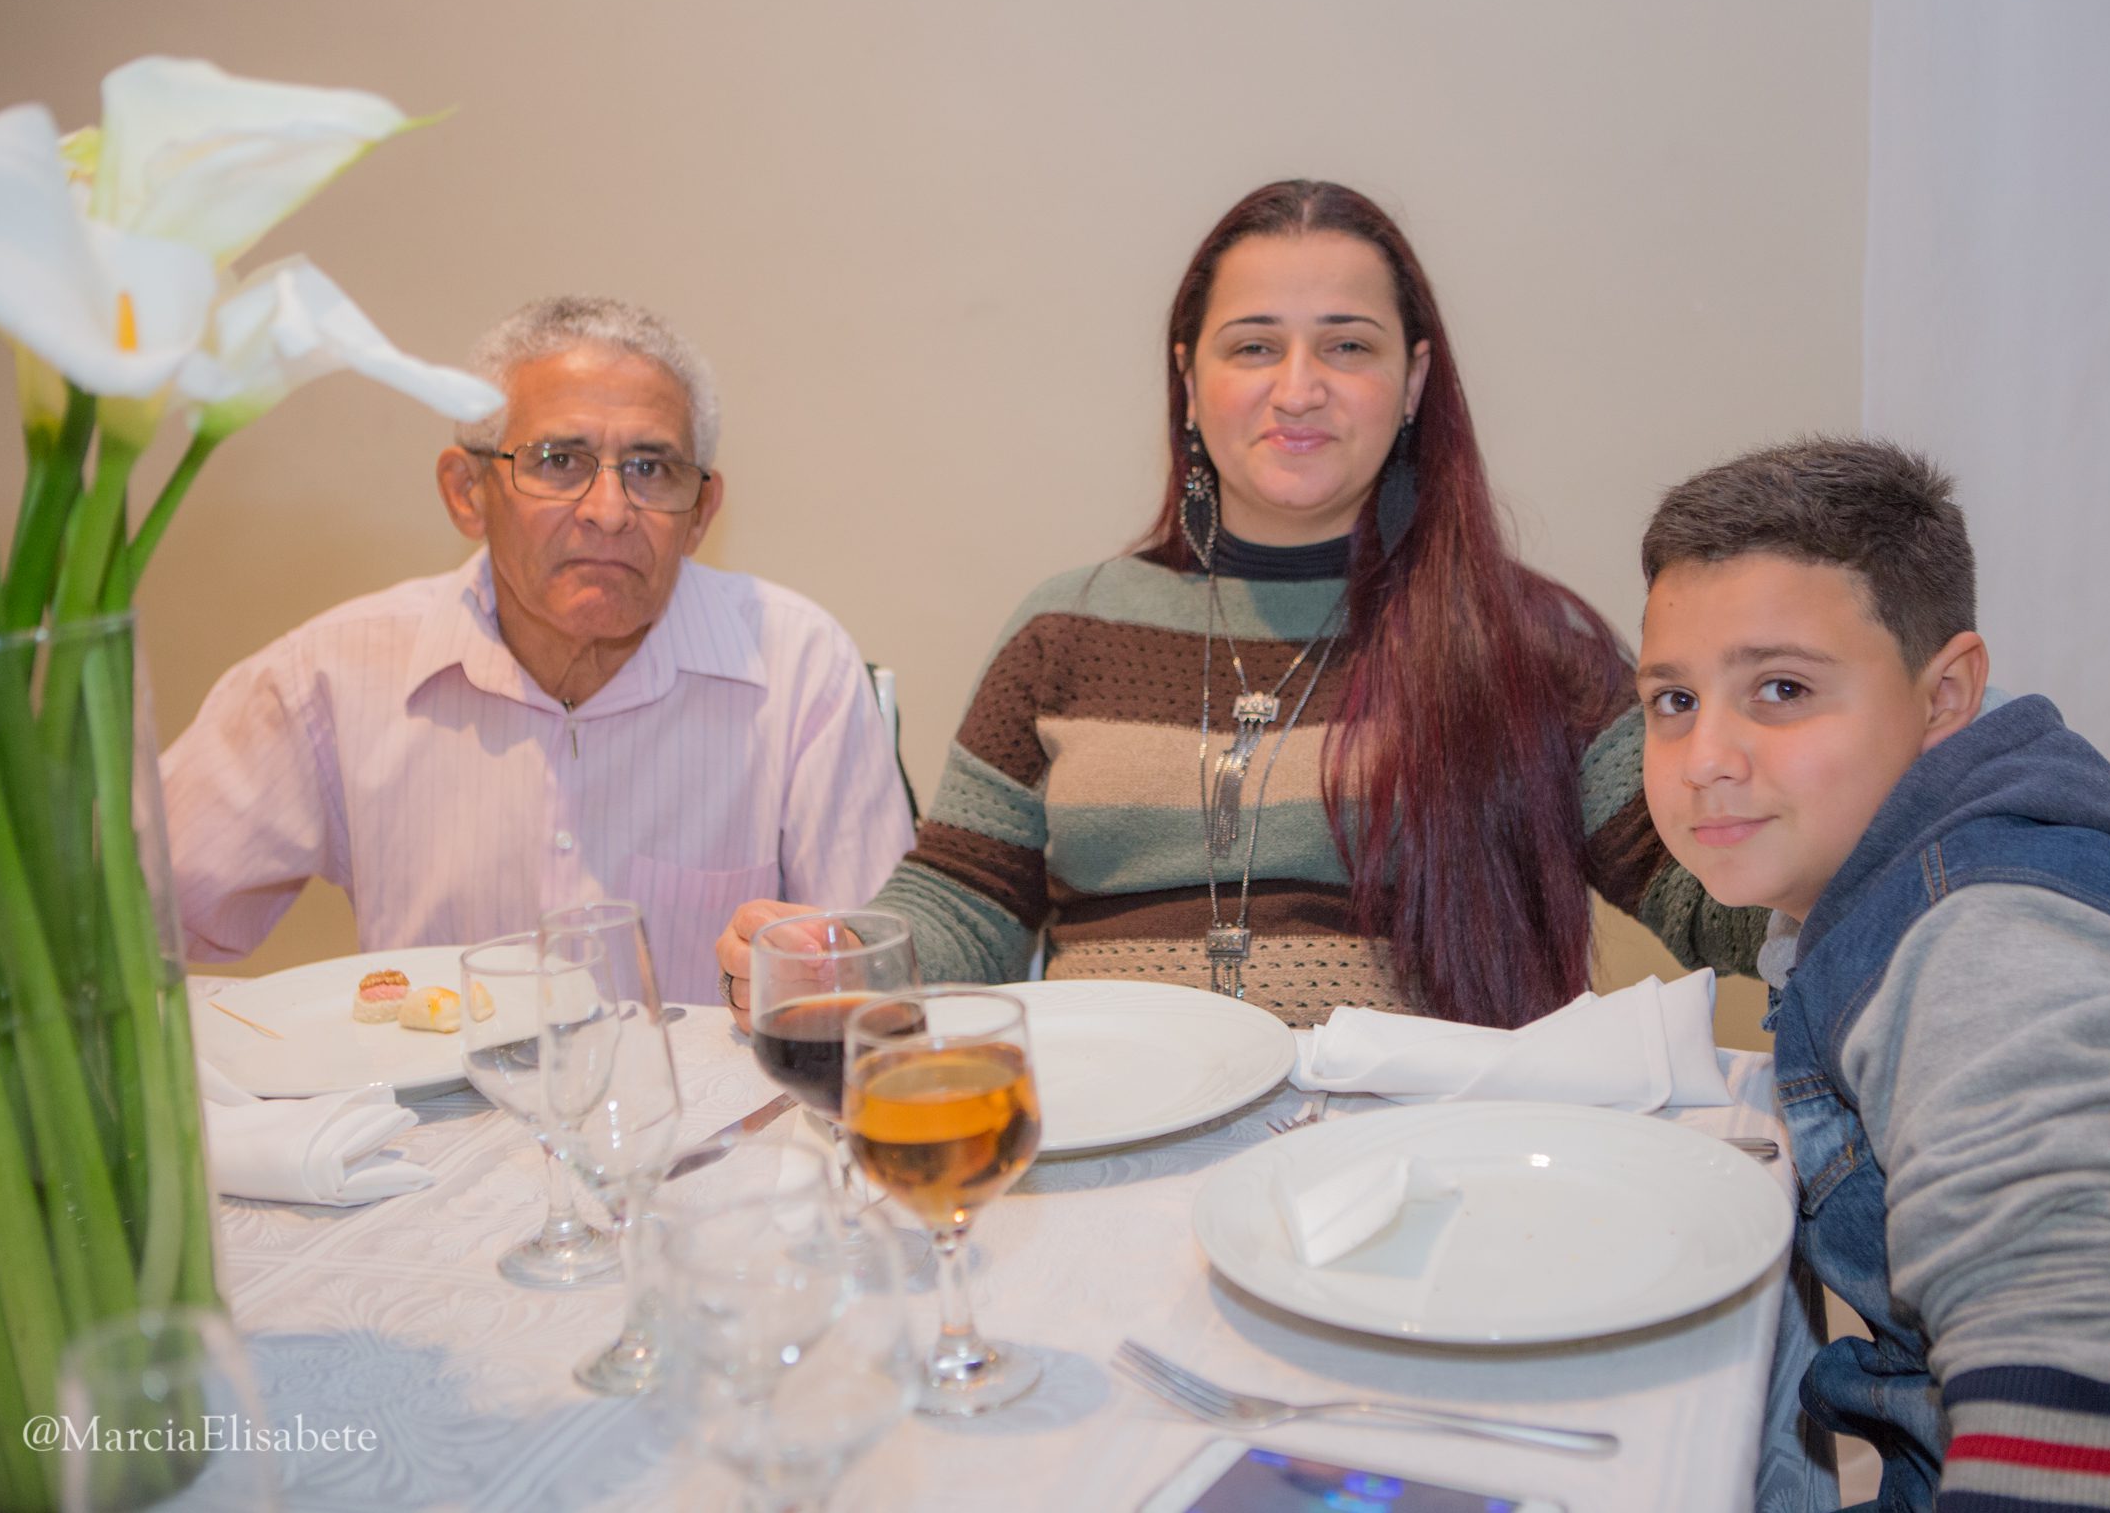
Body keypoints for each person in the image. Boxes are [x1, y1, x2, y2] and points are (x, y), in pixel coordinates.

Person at [718, 179, 1763, 1029]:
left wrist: (1836, 882)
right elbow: (963, 900)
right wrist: (839, 955)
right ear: (1189, 378)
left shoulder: (1529, 643)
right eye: (1254, 345)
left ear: (1412, 382)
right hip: (1114, 1145)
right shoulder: (1064, 632)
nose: (1298, 388)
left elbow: (1701, 880)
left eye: (1347, 345)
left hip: (1418, 1167)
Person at [1635, 437, 2110, 1510]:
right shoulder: (1923, 848)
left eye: (1781, 688)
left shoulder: (1985, 942)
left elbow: (2070, 1382)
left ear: (1946, 697)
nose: (1705, 759)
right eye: (1673, 700)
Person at [163, 296, 915, 1002]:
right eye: (559, 461)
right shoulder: (331, 676)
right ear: (467, 492)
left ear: (700, 513)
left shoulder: (797, 668)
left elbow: (888, 984)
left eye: (651, 470)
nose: (610, 511)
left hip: (707, 1107)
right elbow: (123, 918)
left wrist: (826, 974)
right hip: (434, 1105)